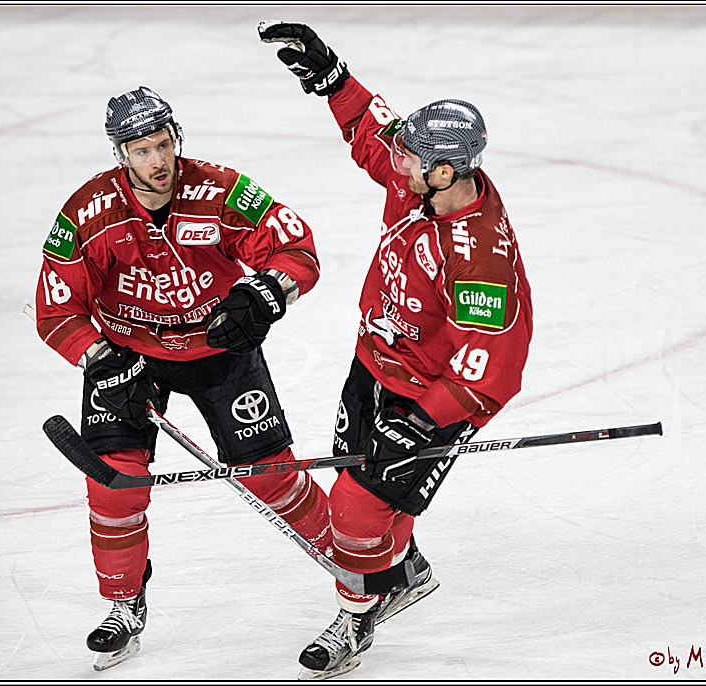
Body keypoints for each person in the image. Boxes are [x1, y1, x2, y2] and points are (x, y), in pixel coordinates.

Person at [258, 21, 534, 679]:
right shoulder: (419, 178)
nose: (394, 162)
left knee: (352, 514)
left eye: (409, 159)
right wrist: (331, 78)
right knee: (357, 483)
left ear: (445, 171)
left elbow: (490, 366)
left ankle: (358, 618)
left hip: (433, 394)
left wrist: (421, 423)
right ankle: (401, 566)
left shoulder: (481, 256)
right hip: (376, 361)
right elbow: (373, 131)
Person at [33, 85, 332, 671]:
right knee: (114, 484)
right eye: (141, 150)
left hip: (219, 349)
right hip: (126, 359)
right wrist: (95, 354)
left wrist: (265, 291)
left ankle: (364, 565)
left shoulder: (220, 190)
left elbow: (299, 249)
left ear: (177, 140)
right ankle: (123, 601)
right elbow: (55, 309)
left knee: (272, 477)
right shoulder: (86, 212)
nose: (157, 160)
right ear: (120, 154)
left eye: (164, 144)